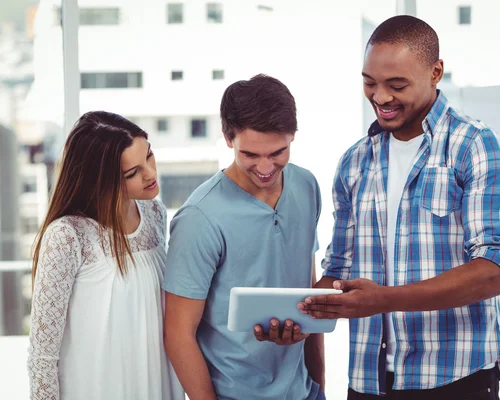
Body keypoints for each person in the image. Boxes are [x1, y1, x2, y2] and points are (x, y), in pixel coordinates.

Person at [299, 15, 500, 400]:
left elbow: (495, 271)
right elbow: (339, 272)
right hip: (369, 381)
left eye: (396, 84)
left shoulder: (474, 146)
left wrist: (385, 299)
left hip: (457, 379)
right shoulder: (354, 162)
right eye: (369, 83)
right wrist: (295, 315)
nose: (380, 97)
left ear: (435, 72)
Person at [163, 74, 325, 400]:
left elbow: (309, 288)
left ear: (293, 136)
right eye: (250, 154)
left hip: (305, 393)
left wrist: (319, 387)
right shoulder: (200, 218)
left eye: (278, 152)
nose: (265, 167)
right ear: (228, 138)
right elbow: (178, 334)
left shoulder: (306, 186)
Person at [27, 111, 184, 400]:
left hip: (153, 383)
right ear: (101, 179)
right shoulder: (67, 235)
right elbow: (42, 356)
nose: (150, 174)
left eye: (149, 156)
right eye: (132, 172)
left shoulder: (154, 214)